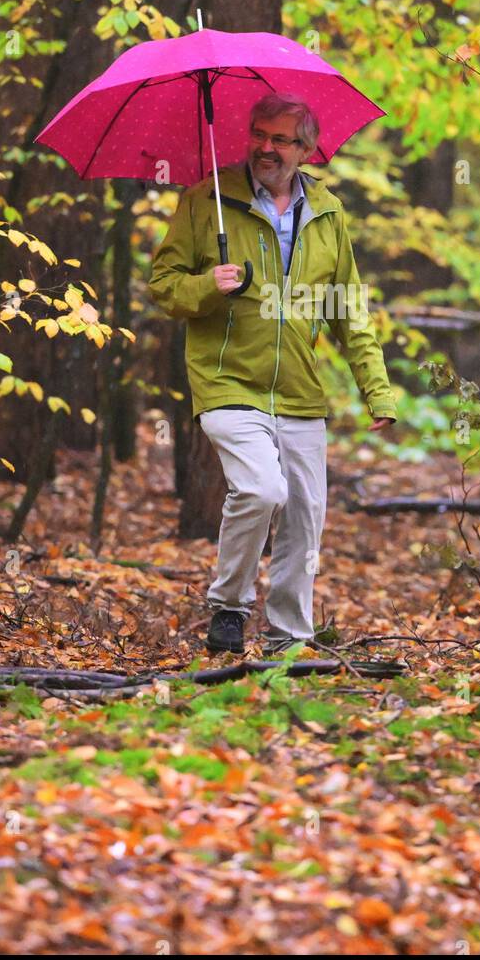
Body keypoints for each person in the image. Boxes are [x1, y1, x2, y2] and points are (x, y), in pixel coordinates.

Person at [148, 92, 398, 655]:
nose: (266, 147)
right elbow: (164, 287)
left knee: (305, 518)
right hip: (227, 379)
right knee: (261, 490)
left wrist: (376, 390)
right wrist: (205, 286)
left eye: (282, 139)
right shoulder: (206, 201)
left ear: (307, 149)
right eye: (259, 134)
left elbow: (348, 310)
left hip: (299, 390)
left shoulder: (328, 215)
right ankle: (230, 607)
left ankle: (290, 638)